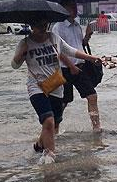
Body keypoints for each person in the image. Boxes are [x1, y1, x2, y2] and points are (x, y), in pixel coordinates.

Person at [12, 18, 102, 165]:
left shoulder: (54, 38)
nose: (42, 27)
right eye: (38, 25)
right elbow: (14, 65)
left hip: (56, 86)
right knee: (48, 120)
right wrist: (20, 54)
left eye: (44, 24)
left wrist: (92, 58)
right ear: (32, 26)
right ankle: (50, 156)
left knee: (53, 124)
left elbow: (71, 51)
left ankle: (39, 145)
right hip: (36, 87)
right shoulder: (25, 43)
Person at [52, 0, 102, 133]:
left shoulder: (77, 25)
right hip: (65, 69)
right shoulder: (58, 27)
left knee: (92, 96)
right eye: (71, 7)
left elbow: (80, 45)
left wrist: (87, 35)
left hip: (81, 67)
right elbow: (59, 51)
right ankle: (54, 129)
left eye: (75, 7)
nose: (75, 9)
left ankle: (96, 128)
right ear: (64, 10)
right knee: (63, 101)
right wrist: (71, 66)